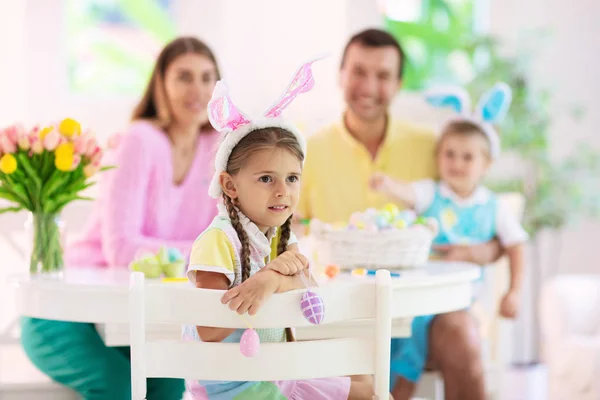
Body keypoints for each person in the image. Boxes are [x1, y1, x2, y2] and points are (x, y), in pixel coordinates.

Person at [296, 28, 505, 400]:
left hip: (427, 310)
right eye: (359, 71)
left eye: (383, 75)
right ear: (340, 74)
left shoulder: (433, 146)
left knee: (464, 339)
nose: (369, 86)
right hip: (344, 309)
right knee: (342, 365)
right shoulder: (307, 149)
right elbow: (286, 230)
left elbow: (487, 224)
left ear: (398, 83)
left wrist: (476, 253)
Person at [20, 36, 222, 400]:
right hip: (69, 309)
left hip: (133, 315)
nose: (198, 90)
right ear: (160, 83)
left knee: (170, 383)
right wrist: (202, 255)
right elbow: (123, 249)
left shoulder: (216, 149)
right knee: (119, 387)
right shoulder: (140, 139)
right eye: (184, 77)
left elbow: (222, 242)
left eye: (207, 78)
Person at [183, 60, 383, 399]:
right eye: (265, 179)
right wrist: (269, 280)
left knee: (371, 383)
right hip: (237, 386)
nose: (282, 191)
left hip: (271, 370)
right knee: (370, 395)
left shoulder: (277, 238)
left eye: (292, 178)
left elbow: (307, 286)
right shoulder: (218, 241)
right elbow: (208, 328)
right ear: (230, 186)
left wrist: (271, 278)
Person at [370, 83, 528, 319]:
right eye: (449, 154)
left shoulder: (493, 207)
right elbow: (411, 193)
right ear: (437, 156)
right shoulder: (432, 193)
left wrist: (513, 291)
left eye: (467, 157)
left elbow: (516, 245)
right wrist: (388, 185)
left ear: (486, 164)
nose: (457, 163)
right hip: (424, 292)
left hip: (466, 298)